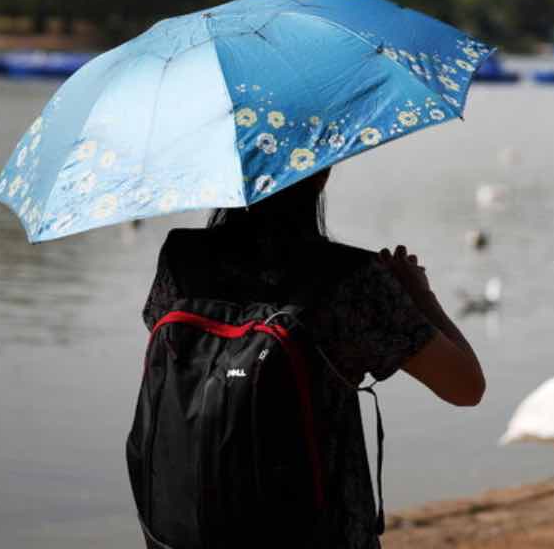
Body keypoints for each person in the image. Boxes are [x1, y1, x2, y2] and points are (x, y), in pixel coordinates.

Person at [141, 167, 484, 548]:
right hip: (320, 531)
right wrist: (420, 296)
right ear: (320, 174)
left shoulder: (180, 256)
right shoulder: (351, 278)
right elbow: (465, 385)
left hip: (191, 528)